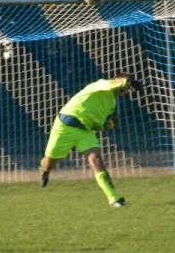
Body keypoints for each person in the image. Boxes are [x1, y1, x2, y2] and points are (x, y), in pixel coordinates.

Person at [39, 72, 144, 207]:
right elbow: (114, 84)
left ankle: (114, 198)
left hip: (85, 132)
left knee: (96, 159)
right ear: (116, 80)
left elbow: (97, 125)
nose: (125, 89)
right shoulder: (100, 85)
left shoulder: (112, 104)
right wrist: (131, 81)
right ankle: (45, 171)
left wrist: (105, 125)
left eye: (128, 88)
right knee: (49, 163)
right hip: (64, 127)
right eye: (124, 84)